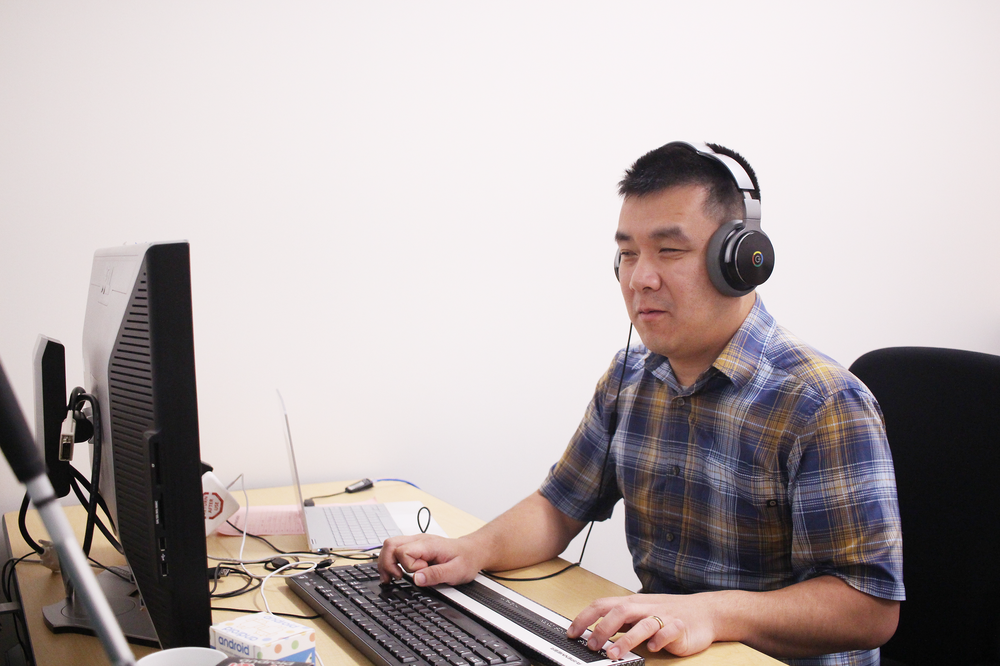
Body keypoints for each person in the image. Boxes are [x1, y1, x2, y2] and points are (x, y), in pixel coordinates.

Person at [378, 141, 905, 666]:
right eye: (628, 253)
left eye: (668, 251)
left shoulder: (822, 402)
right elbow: (559, 506)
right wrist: (472, 551)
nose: (639, 279)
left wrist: (710, 613)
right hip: (662, 651)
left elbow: (868, 610)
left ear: (739, 260)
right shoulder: (630, 376)